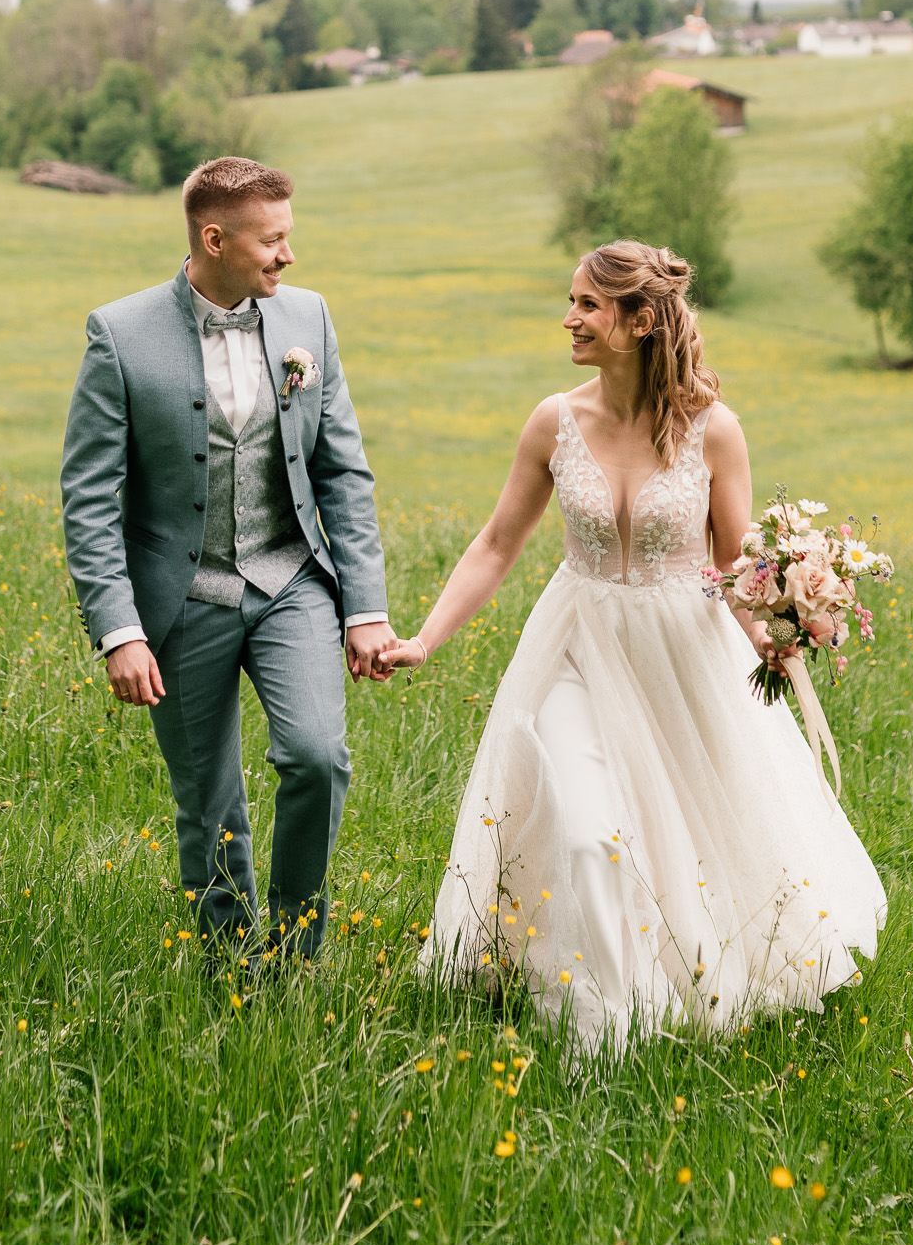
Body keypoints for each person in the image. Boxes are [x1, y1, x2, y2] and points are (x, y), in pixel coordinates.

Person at [378, 241, 886, 1053]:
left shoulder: (715, 432)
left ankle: (678, 985)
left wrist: (781, 633)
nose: (570, 318)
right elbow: (498, 543)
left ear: (640, 320)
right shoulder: (555, 419)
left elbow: (731, 562)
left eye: (587, 305)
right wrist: (425, 640)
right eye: (572, 301)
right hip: (576, 643)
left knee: (684, 836)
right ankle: (601, 1032)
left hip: (683, 656)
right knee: (586, 833)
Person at [60, 156, 396, 973]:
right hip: (182, 600)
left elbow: (342, 472)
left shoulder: (308, 321)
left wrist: (366, 607)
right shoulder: (120, 335)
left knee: (317, 755)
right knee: (208, 804)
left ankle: (296, 944)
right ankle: (223, 958)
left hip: (291, 583)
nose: (289, 256)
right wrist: (119, 632)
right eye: (272, 240)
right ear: (214, 239)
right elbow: (90, 499)